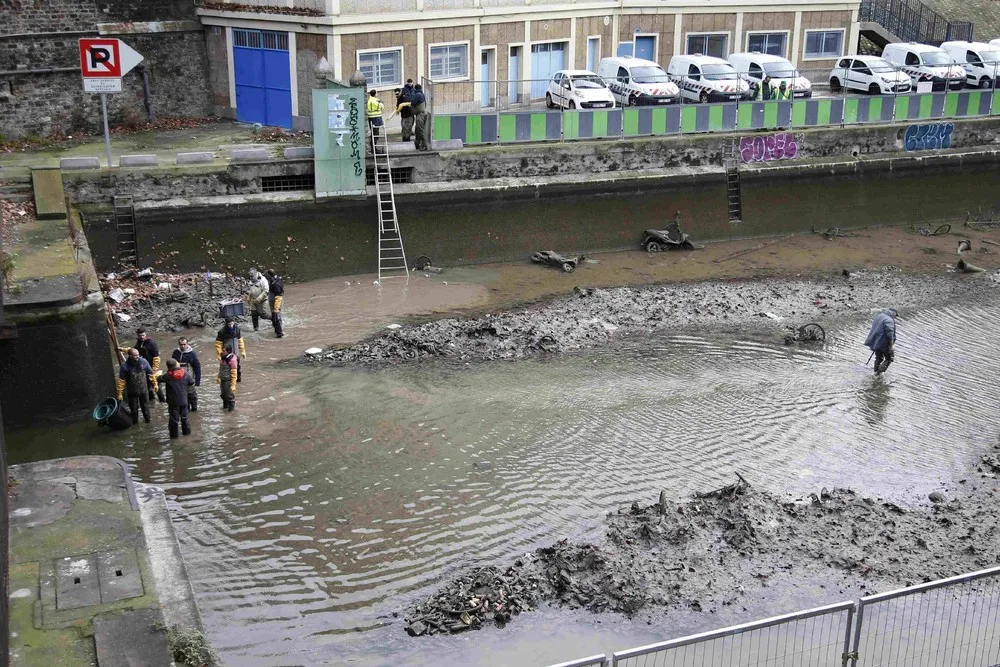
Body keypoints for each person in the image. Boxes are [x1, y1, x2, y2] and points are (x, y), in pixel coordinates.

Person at [157, 358, 195, 438]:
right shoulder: (184, 373)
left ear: (168, 367)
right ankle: (187, 435)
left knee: (174, 420)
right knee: (185, 418)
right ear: (176, 364)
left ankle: (174, 437)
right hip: (183, 400)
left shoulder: (167, 375)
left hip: (173, 402)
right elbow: (191, 382)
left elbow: (159, 379)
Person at [116, 348, 155, 424]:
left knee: (146, 408)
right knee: (133, 409)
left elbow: (150, 374)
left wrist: (155, 384)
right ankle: (135, 423)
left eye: (138, 355)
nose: (138, 356)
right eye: (135, 355)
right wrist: (119, 393)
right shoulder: (124, 366)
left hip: (143, 390)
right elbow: (121, 381)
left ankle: (148, 421)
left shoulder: (144, 361)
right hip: (132, 392)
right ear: (130, 356)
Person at [171, 337, 202, 412]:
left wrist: (197, 381)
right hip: (178, 379)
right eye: (181, 344)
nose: (183, 346)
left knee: (192, 395)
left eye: (184, 344)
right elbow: (172, 366)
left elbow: (197, 367)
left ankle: (194, 409)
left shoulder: (192, 354)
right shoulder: (176, 352)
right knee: (182, 396)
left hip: (189, 378)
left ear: (187, 344)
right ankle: (186, 410)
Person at [135, 328, 165, 403]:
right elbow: (133, 352)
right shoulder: (138, 344)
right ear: (137, 335)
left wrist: (154, 369)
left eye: (143, 335)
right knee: (147, 386)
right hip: (143, 369)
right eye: (140, 335)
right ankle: (152, 401)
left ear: (145, 334)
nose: (141, 337)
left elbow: (156, 357)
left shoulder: (151, 343)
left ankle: (162, 401)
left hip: (151, 368)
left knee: (156, 385)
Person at [865, 308, 898, 375]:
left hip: (876, 342)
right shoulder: (889, 320)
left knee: (878, 358)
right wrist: (891, 345)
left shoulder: (879, 316)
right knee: (889, 358)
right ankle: (878, 374)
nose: (895, 317)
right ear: (893, 313)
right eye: (896, 315)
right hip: (884, 343)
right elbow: (890, 334)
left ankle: (875, 372)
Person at [215, 317, 247, 382]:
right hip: (226, 353)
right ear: (226, 324)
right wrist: (219, 353)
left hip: (236, 352)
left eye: (232, 324)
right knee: (226, 367)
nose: (231, 325)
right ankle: (225, 381)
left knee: (237, 367)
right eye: (229, 324)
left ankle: (237, 381)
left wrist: (243, 351)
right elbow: (218, 344)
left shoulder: (237, 329)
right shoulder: (222, 332)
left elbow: (240, 341)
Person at [218, 344, 238, 411]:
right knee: (223, 395)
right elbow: (221, 368)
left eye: (224, 350)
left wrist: (233, 385)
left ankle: (231, 412)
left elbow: (234, 373)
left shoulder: (232, 360)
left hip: (228, 381)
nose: (222, 351)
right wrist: (218, 377)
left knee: (229, 396)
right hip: (223, 379)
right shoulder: (223, 357)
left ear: (228, 351)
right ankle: (225, 409)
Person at [266, 269, 284, 338]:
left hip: (276, 301)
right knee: (274, 315)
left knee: (277, 315)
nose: (266, 276)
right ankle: (275, 327)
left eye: (267, 275)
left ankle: (279, 332)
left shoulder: (276, 284)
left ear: (270, 275)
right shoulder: (274, 280)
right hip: (273, 299)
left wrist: (276, 308)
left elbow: (278, 297)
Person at [411, 84, 429, 151]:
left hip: (420, 115)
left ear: (415, 89)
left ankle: (425, 145)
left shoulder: (418, 95)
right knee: (417, 130)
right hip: (422, 114)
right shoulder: (422, 94)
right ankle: (417, 144)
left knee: (420, 130)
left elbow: (413, 102)